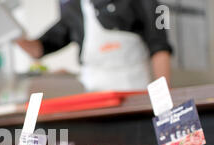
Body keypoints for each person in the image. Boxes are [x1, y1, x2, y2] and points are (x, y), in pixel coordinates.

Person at [16, 0, 173, 91]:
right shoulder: (74, 9)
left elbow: (160, 49)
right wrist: (12, 34)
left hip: (137, 95)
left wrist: (163, 99)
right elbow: (39, 49)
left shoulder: (144, 2)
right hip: (94, 100)